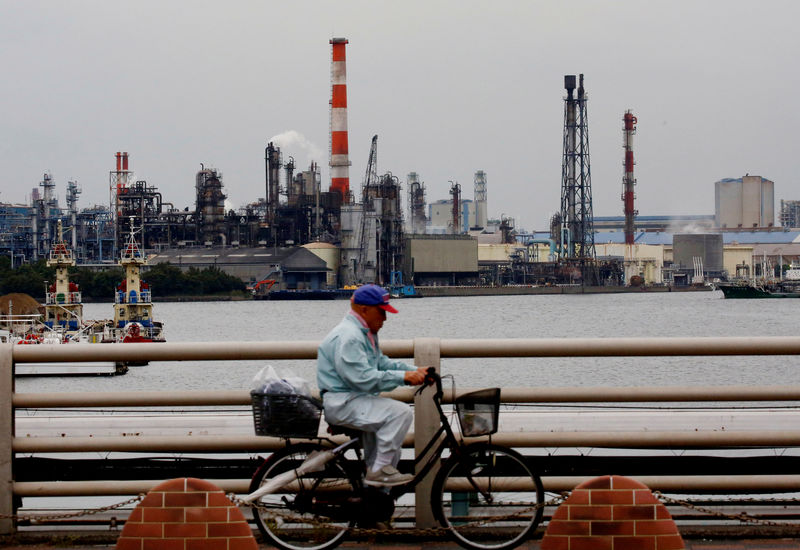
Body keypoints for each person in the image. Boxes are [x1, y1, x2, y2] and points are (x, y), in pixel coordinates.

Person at [317, 284, 427, 487]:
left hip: (354, 400)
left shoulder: (363, 332)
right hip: (344, 402)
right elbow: (363, 378)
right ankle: (378, 472)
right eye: (381, 312)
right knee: (400, 413)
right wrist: (404, 377)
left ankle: (375, 503)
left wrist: (416, 371)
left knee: (386, 453)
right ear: (364, 309)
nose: (385, 319)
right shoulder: (349, 337)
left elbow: (382, 363)